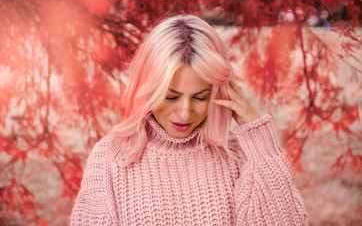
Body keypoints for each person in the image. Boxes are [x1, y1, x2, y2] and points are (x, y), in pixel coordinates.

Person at [70, 14, 308, 225]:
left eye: (199, 97)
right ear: (148, 90)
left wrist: (260, 140)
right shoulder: (110, 158)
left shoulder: (240, 155)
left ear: (216, 93)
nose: (184, 113)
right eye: (171, 97)